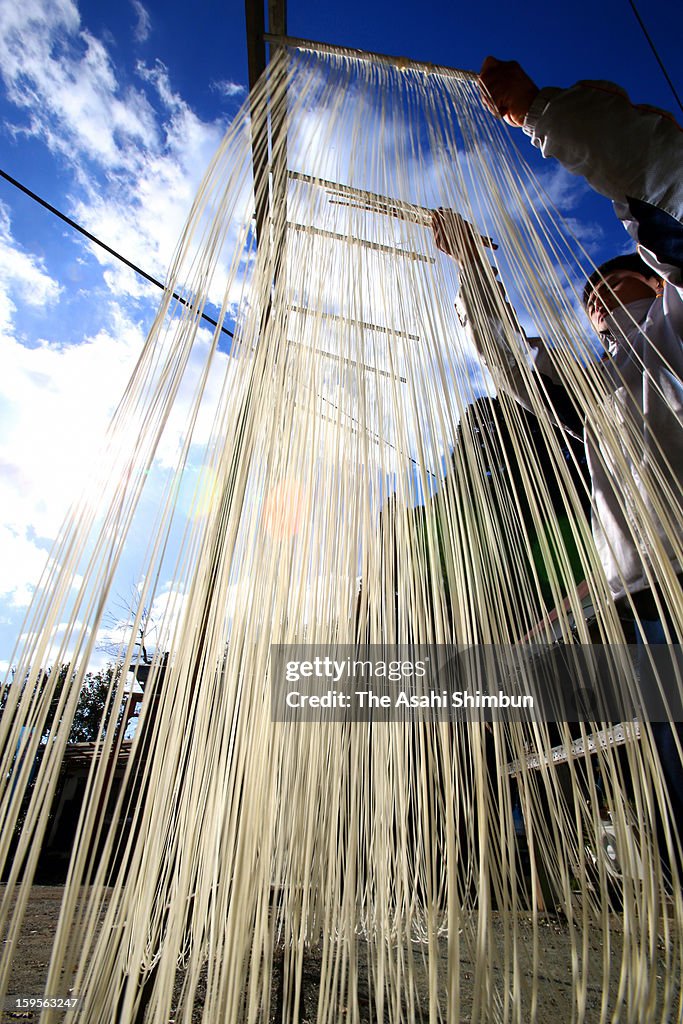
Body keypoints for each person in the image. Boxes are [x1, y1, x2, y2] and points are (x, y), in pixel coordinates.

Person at [433, 58, 683, 860]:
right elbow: (511, 365)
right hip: (645, 599)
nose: (600, 300)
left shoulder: (677, 329)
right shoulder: (597, 385)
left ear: (654, 279)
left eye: (620, 284)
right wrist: (474, 271)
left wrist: (540, 112)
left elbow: (659, 169)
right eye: (589, 300)